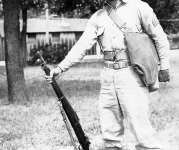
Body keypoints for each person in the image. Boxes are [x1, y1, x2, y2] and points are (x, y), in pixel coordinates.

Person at [45, 0, 170, 149]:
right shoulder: (98, 17)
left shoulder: (138, 7)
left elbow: (159, 37)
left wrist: (164, 67)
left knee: (142, 131)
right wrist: (60, 68)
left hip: (132, 74)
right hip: (108, 76)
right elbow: (82, 45)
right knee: (110, 134)